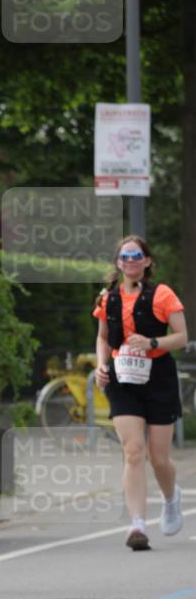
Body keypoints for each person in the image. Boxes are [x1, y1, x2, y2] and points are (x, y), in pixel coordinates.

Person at [93, 235, 188, 551]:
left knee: (158, 457)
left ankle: (171, 498)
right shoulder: (108, 298)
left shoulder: (162, 294)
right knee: (133, 451)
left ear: (147, 261)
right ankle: (137, 524)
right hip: (122, 378)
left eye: (136, 256)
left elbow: (182, 337)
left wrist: (151, 343)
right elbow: (103, 337)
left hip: (158, 377)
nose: (130, 261)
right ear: (118, 262)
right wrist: (101, 364)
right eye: (125, 256)